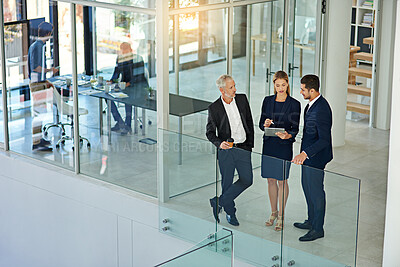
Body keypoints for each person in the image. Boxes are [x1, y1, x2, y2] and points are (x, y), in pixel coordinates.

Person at [206, 74, 254, 226]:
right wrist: (219, 143)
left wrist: (250, 145)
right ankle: (230, 213)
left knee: (247, 179)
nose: (235, 89)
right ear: (222, 90)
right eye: (231, 87)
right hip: (227, 151)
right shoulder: (214, 108)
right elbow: (210, 132)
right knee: (227, 183)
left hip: (243, 148)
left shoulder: (242, 99)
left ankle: (218, 202)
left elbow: (249, 121)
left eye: (234, 86)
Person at [292, 74, 333, 242]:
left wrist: (305, 153)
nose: (300, 92)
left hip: (315, 158)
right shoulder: (310, 105)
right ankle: (311, 221)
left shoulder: (322, 109)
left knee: (316, 193)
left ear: (313, 90)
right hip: (307, 157)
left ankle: (318, 228)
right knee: (307, 189)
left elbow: (324, 140)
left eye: (303, 89)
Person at [259, 71, 300, 231]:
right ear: (274, 85)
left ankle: (281, 216)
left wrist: (288, 135)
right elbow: (261, 123)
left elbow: (296, 128)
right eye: (277, 85)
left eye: (283, 85)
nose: (280, 88)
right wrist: (266, 124)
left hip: (283, 146)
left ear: (288, 84)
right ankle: (273, 212)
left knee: (282, 180)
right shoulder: (267, 101)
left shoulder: (294, 104)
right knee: (270, 180)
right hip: (269, 145)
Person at [27, 21, 59, 151]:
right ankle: (37, 141)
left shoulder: (34, 45)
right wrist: (50, 70)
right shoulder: (39, 47)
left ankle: (38, 139)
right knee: (39, 112)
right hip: (36, 84)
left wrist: (45, 81)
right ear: (48, 33)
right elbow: (36, 67)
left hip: (37, 82)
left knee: (39, 112)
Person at [108, 42, 145, 135]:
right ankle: (119, 122)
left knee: (128, 99)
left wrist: (129, 83)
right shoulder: (120, 58)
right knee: (107, 97)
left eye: (126, 51)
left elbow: (140, 76)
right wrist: (112, 80)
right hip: (124, 86)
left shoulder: (138, 59)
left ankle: (128, 126)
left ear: (131, 50)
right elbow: (117, 71)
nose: (124, 53)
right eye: (122, 51)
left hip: (137, 86)